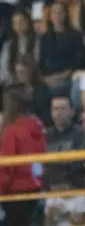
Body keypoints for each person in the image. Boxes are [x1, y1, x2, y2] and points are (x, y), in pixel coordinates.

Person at [0, 86, 46, 225]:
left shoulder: (12, 131)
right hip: (34, 187)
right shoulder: (37, 127)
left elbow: (6, 167)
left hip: (14, 191)